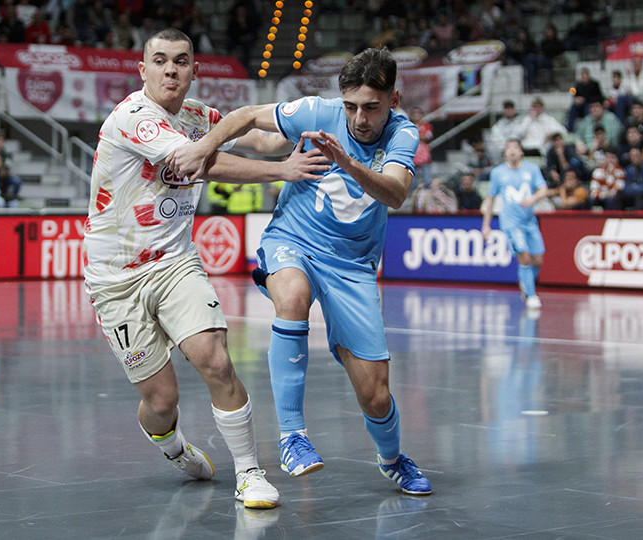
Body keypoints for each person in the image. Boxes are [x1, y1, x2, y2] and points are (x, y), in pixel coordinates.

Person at [167, 46, 433, 496]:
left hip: (352, 265)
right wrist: (204, 145)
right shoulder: (317, 111)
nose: (359, 119)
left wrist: (348, 162)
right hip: (294, 238)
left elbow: (395, 194)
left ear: (394, 99)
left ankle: (392, 459)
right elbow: (250, 116)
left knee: (377, 393)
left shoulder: (403, 136)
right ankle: (292, 436)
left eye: (371, 107)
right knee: (290, 295)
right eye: (351, 106)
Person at [83, 28, 329, 510]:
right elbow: (202, 162)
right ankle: (173, 448)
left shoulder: (197, 115)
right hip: (115, 278)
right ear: (143, 70)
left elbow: (255, 135)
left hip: (174, 263)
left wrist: (312, 126)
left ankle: (250, 472)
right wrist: (285, 170)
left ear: (194, 69)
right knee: (161, 400)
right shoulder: (136, 117)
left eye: (180, 61)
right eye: (160, 61)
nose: (170, 69)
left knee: (215, 358)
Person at [481, 139, 550, 310]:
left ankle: (524, 281)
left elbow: (544, 189)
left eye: (515, 148)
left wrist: (533, 198)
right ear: (505, 153)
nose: (512, 151)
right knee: (524, 257)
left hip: (529, 222)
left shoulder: (532, 169)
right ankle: (530, 295)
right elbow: (490, 199)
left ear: (521, 152)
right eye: (509, 148)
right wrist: (486, 225)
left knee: (538, 260)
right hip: (511, 224)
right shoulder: (498, 173)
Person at [410, 106, 433, 188]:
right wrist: (420, 136)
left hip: (424, 155)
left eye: (418, 113)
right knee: (412, 179)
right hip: (412, 154)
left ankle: (426, 196)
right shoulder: (409, 125)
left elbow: (428, 137)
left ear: (422, 115)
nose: (416, 115)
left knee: (427, 178)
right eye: (414, 113)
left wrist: (415, 135)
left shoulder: (427, 125)